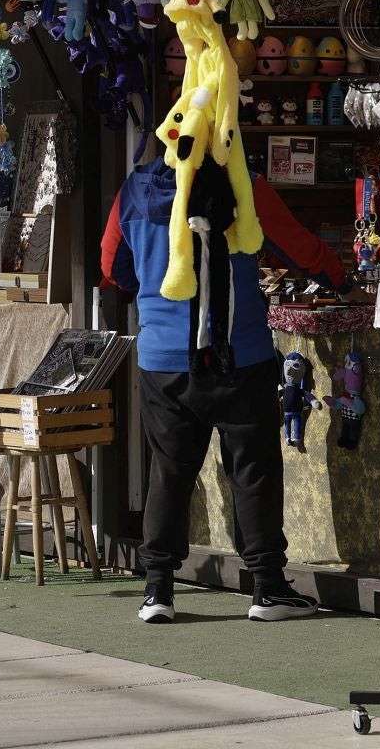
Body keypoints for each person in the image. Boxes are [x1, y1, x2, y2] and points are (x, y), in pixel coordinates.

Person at [101, 154, 347, 625]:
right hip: (240, 352)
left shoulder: (135, 186)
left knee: (169, 472)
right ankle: (267, 587)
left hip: (164, 355)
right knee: (252, 470)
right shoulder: (245, 182)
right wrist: (338, 279)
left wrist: (152, 289)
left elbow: (113, 264)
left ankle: (158, 590)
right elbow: (299, 248)